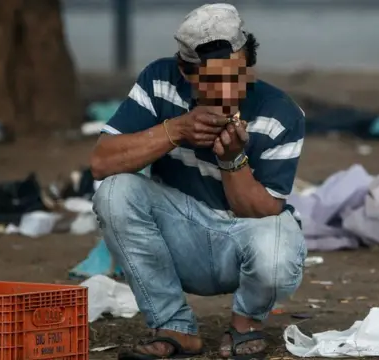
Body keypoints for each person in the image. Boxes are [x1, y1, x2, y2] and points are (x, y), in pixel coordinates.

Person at [89, 3, 306, 359]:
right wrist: (176, 129)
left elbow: (264, 210)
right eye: (212, 80)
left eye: (236, 75)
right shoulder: (160, 81)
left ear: (248, 63)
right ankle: (174, 325)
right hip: (179, 231)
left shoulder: (280, 112)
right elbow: (101, 162)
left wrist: (232, 159)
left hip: (243, 234)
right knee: (115, 192)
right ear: (186, 73)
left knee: (280, 237)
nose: (227, 91)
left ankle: (246, 323)